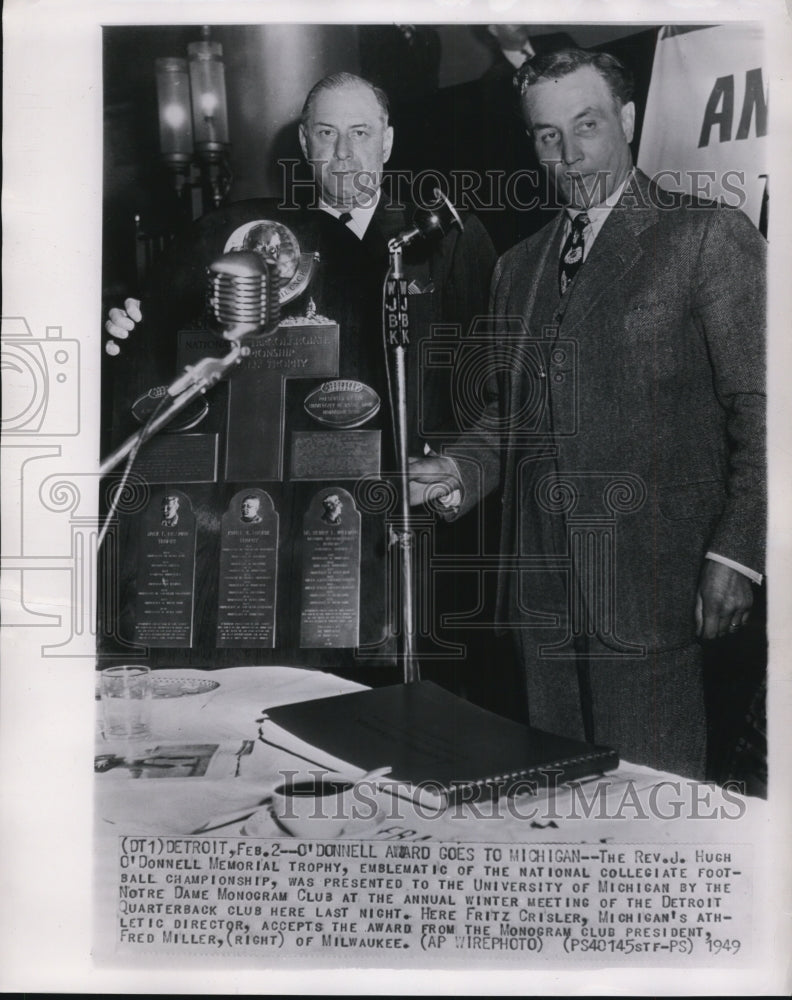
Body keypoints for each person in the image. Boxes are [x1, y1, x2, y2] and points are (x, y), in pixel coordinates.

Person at [409, 48, 766, 777]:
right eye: (546, 135)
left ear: (628, 119)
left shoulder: (706, 238)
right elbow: (512, 417)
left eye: (587, 124)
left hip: (660, 598)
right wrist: (455, 469)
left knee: (659, 831)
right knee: (567, 822)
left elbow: (765, 412)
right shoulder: (518, 267)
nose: (568, 155)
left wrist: (738, 556)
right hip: (542, 606)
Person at [103, 73, 498, 680]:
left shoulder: (445, 241)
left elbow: (490, 388)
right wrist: (132, 332)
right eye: (327, 134)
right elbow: (186, 356)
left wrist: (449, 470)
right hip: (288, 526)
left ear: (387, 143)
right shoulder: (259, 249)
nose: (344, 153)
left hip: (412, 528)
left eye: (360, 133)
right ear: (306, 146)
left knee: (407, 714)